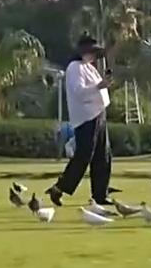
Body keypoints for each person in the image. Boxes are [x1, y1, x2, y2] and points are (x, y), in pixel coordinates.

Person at [46, 37, 113, 207]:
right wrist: (99, 86)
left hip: (99, 113)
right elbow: (78, 91)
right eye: (92, 52)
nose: (94, 56)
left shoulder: (89, 68)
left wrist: (104, 85)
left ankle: (100, 194)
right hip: (86, 117)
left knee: (103, 156)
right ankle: (60, 187)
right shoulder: (74, 68)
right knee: (83, 155)